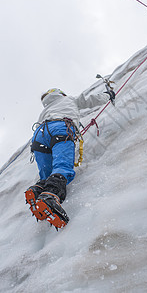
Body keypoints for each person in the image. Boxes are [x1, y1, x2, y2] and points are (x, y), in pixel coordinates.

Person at [25, 88, 110, 229]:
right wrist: (108, 95)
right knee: (62, 166)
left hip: (39, 136)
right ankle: (50, 197)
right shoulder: (68, 99)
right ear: (60, 93)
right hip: (60, 127)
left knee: (46, 174)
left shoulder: (45, 110)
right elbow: (88, 100)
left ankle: (37, 191)